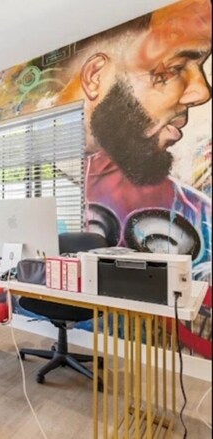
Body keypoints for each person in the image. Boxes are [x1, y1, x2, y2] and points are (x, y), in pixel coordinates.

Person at [59, 0, 212, 280]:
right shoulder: (57, 179)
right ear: (95, 77)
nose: (201, 92)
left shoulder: (198, 210)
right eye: (176, 67)